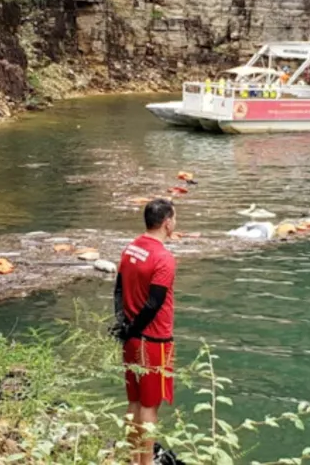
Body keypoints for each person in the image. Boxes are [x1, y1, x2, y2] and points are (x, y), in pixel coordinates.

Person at [112, 198, 178, 465]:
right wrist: (134, 328)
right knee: (150, 405)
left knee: (134, 401)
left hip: (131, 338)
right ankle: (146, 462)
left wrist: (123, 325)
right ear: (167, 222)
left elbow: (118, 288)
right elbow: (154, 303)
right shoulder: (164, 257)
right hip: (154, 340)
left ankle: (133, 457)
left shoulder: (131, 248)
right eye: (175, 218)